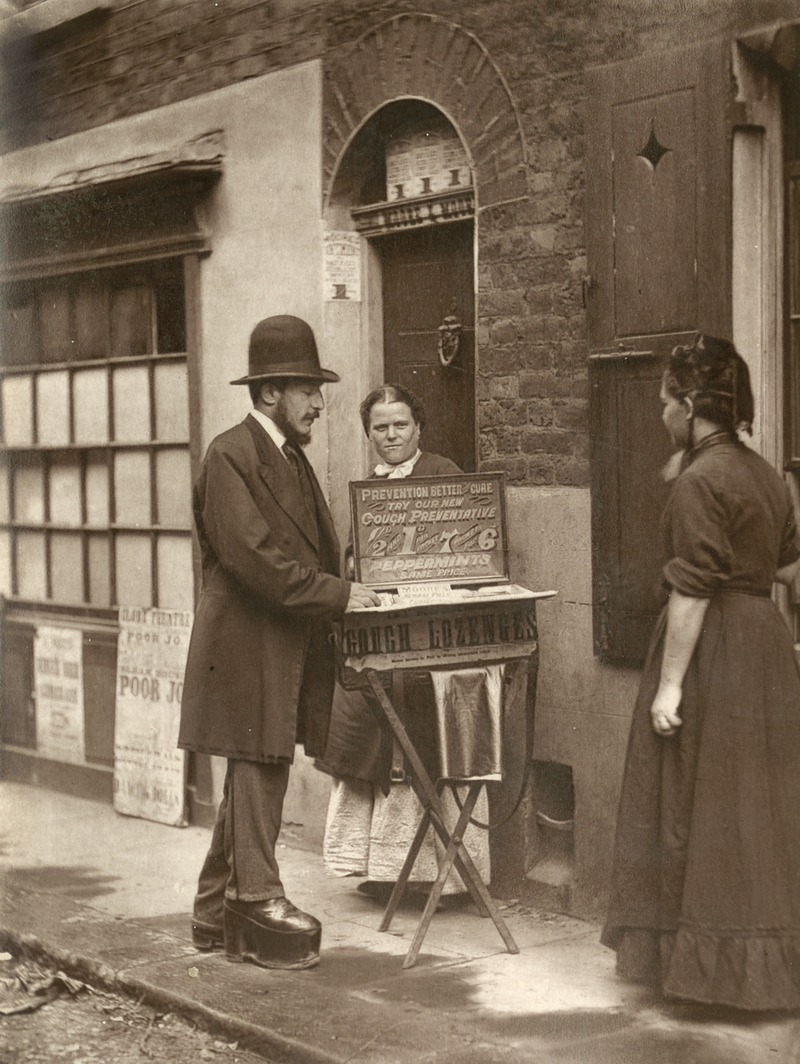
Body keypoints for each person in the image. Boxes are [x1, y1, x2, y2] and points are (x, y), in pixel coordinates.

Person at [601, 335, 800, 1010]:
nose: (661, 415)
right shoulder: (766, 472)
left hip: (712, 647)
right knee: (757, 807)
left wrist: (669, 686)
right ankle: (768, 966)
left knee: (698, 799)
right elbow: (788, 567)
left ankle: (709, 973)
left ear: (690, 405)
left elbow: (691, 591)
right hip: (765, 648)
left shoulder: (698, 479)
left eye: (665, 402)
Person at [178, 315, 379, 971]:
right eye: (307, 389)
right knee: (258, 765)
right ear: (269, 394)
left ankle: (214, 913)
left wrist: (349, 588)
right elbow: (256, 561)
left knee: (257, 767)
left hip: (279, 642)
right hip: (246, 641)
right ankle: (254, 897)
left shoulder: (287, 457)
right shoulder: (229, 454)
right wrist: (340, 595)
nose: (320, 402)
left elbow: (311, 548)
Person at [319, 384, 492, 899]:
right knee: (372, 738)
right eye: (379, 428)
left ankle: (441, 876)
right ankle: (385, 871)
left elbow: (471, 547)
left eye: (399, 426)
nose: (390, 436)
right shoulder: (366, 488)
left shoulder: (443, 475)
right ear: (368, 433)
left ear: (418, 428)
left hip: (432, 640)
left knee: (429, 744)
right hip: (382, 636)